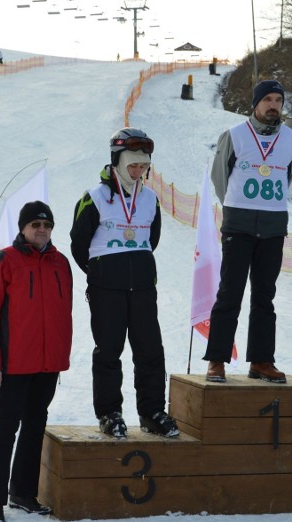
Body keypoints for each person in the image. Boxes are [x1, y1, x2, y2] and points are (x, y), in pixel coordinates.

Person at [70, 128, 179, 440]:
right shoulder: (94, 198)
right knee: (108, 352)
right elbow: (79, 244)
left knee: (150, 351)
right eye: (133, 165)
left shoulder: (150, 200)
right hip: (107, 290)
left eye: (143, 166)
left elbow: (151, 240)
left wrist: (135, 267)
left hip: (143, 287)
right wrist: (103, 272)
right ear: (117, 161)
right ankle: (109, 413)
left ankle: (152, 411)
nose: (138, 171)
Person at [0, 201, 73, 522]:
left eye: (46, 225)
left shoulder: (61, 263)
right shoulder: (5, 261)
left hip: (48, 365)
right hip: (14, 365)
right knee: (5, 429)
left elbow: (63, 314)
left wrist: (60, 356)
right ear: (23, 228)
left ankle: (23, 492)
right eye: (35, 225)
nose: (41, 230)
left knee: (35, 427)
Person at [204, 80, 292, 384]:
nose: (274, 105)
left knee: (265, 296)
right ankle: (217, 360)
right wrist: (237, 207)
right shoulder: (234, 136)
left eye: (278, 100)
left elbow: (291, 173)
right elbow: (219, 176)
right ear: (256, 103)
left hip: (273, 227)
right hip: (239, 226)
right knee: (229, 293)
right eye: (268, 100)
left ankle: (261, 361)